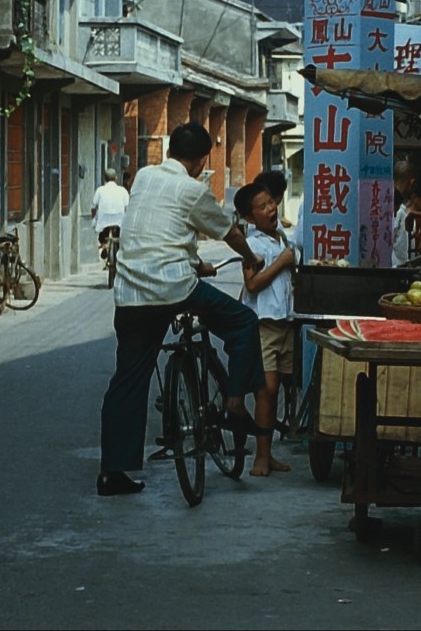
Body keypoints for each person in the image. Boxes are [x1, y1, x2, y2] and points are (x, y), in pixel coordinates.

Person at [98, 123, 268, 497]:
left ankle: (112, 472)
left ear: (169, 149)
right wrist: (252, 257)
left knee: (128, 380)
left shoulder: (143, 177)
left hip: (129, 294)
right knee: (243, 322)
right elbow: (231, 234)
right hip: (173, 289)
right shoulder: (193, 189)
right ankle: (235, 400)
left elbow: (159, 229)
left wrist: (194, 262)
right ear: (203, 160)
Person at [234, 183, 297, 477]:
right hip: (264, 324)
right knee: (266, 390)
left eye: (271, 202)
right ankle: (260, 456)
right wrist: (283, 263)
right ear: (249, 218)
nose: (271, 209)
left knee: (275, 390)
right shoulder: (254, 244)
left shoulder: (281, 237)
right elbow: (252, 284)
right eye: (262, 206)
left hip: (285, 320)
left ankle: (267, 453)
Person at [90, 168, 130, 262]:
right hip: (119, 221)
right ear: (116, 178)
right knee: (120, 237)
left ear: (104, 179)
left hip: (103, 222)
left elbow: (93, 206)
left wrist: (94, 218)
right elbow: (128, 206)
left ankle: (104, 245)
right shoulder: (122, 190)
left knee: (102, 236)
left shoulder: (100, 190)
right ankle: (119, 252)